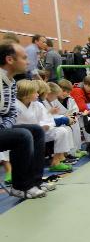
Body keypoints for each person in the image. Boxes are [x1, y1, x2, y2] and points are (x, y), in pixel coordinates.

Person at [0, 41, 47, 198]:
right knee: (22, 135)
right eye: (24, 57)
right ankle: (20, 186)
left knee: (36, 131)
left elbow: (11, 112)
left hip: (2, 128)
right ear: (10, 60)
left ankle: (34, 182)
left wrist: (5, 128)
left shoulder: (11, 83)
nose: (28, 61)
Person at [16, 80, 73, 173]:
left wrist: (46, 126)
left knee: (62, 131)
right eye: (35, 92)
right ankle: (12, 170)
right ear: (26, 94)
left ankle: (56, 162)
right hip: (22, 135)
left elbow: (48, 119)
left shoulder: (38, 105)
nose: (38, 94)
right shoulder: (14, 106)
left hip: (40, 131)